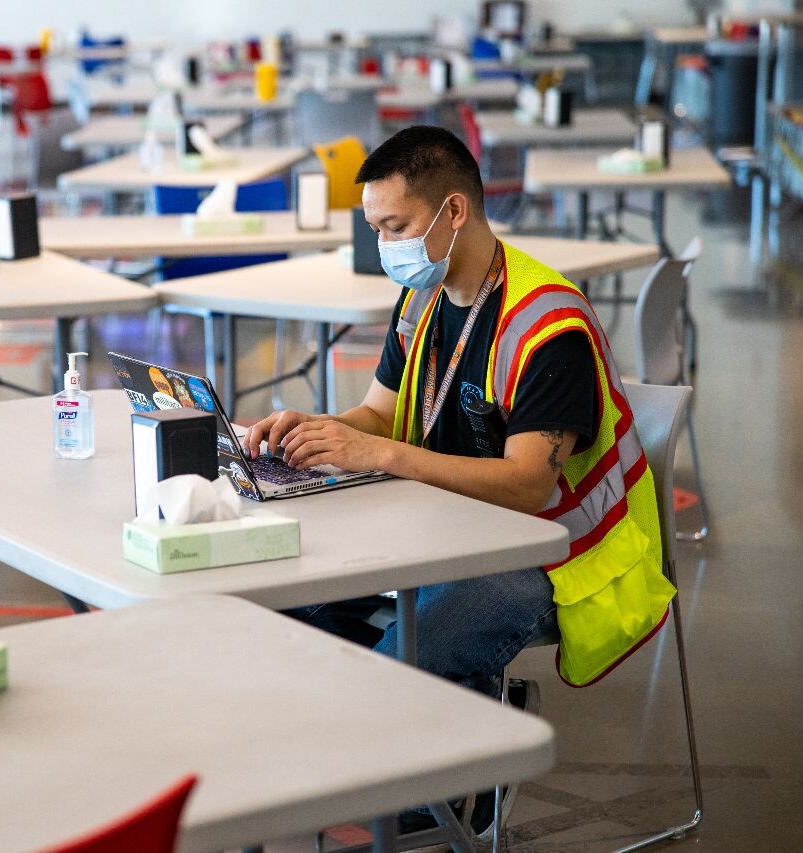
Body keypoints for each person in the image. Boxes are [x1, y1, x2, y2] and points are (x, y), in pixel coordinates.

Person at [243, 125, 675, 708]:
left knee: (404, 669)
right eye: (375, 231)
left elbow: (527, 486)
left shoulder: (548, 328)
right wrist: (321, 431)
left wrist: (386, 454)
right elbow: (379, 412)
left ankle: (429, 787)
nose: (384, 247)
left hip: (549, 552)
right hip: (448, 525)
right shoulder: (424, 295)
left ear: (454, 210)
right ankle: (365, 747)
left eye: (395, 228)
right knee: (292, 606)